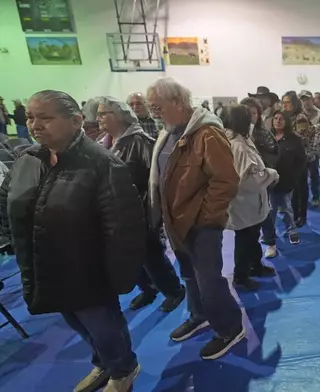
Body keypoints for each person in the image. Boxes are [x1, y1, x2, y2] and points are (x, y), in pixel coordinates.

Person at [0, 90, 146, 392]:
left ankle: (123, 369)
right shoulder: (26, 159)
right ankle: (103, 363)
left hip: (88, 269)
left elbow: (122, 226)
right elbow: (7, 201)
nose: (35, 124)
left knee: (103, 326)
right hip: (45, 264)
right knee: (76, 322)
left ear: (76, 121)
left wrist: (119, 276)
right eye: (30, 117)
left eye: (46, 118)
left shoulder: (101, 164)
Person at [146, 77, 245, 360]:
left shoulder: (207, 134)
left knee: (209, 281)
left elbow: (225, 180)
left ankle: (229, 328)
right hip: (176, 222)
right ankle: (199, 315)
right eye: (151, 108)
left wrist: (207, 219)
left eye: (158, 107)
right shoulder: (169, 132)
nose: (153, 113)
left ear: (179, 102)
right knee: (189, 276)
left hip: (200, 225)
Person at [96, 96, 185, 312]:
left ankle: (174, 290)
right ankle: (148, 289)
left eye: (103, 113)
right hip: (116, 213)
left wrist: (154, 213)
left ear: (119, 116)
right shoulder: (104, 143)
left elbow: (157, 180)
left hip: (139, 212)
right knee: (129, 257)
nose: (98, 118)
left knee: (151, 256)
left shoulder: (140, 142)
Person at [220, 105, 279, 290]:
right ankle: (241, 276)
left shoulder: (239, 139)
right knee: (245, 239)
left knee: (252, 236)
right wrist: (271, 174)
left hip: (251, 202)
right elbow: (247, 181)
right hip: (245, 202)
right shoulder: (238, 146)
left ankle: (256, 266)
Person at [263, 110, 306, 257]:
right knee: (270, 209)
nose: (278, 121)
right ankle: (269, 234)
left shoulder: (294, 139)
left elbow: (301, 160)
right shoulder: (267, 137)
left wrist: (295, 176)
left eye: (281, 118)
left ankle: (291, 231)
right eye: (275, 118)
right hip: (268, 181)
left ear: (287, 121)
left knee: (287, 207)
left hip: (286, 180)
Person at [291, 114, 320, 227]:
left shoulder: (315, 131)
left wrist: (312, 140)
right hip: (294, 163)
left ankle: (302, 216)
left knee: (303, 189)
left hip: (307, 162)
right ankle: (295, 215)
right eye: (299, 123)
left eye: (304, 122)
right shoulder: (292, 133)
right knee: (294, 191)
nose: (302, 127)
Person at [299, 90, 320, 201]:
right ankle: (301, 198)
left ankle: (315, 197)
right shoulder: (298, 115)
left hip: (313, 151)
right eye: (302, 99)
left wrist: (319, 144)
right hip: (299, 151)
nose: (305, 102)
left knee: (314, 175)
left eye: (307, 99)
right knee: (300, 176)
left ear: (312, 100)